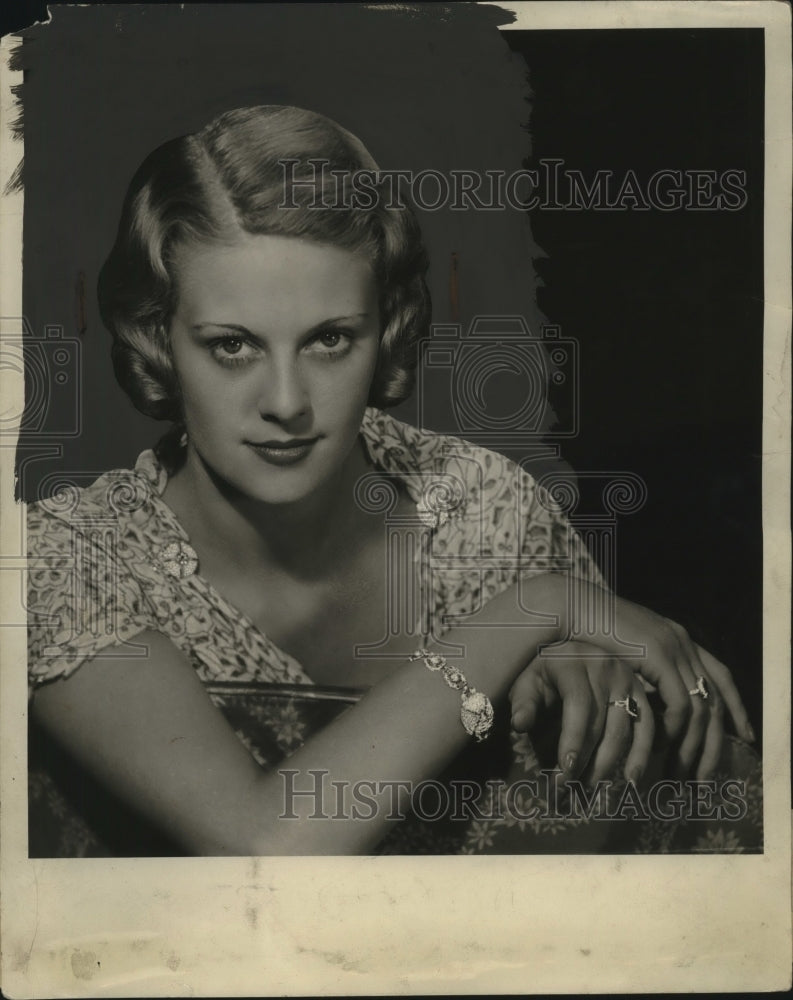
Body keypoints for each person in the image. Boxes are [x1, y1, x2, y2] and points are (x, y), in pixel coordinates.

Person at [26, 106, 760, 856]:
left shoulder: (487, 510)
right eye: (232, 346)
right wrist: (533, 609)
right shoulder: (64, 561)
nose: (285, 402)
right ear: (157, 340)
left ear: (388, 331)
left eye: (330, 339)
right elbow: (267, 848)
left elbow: (602, 820)